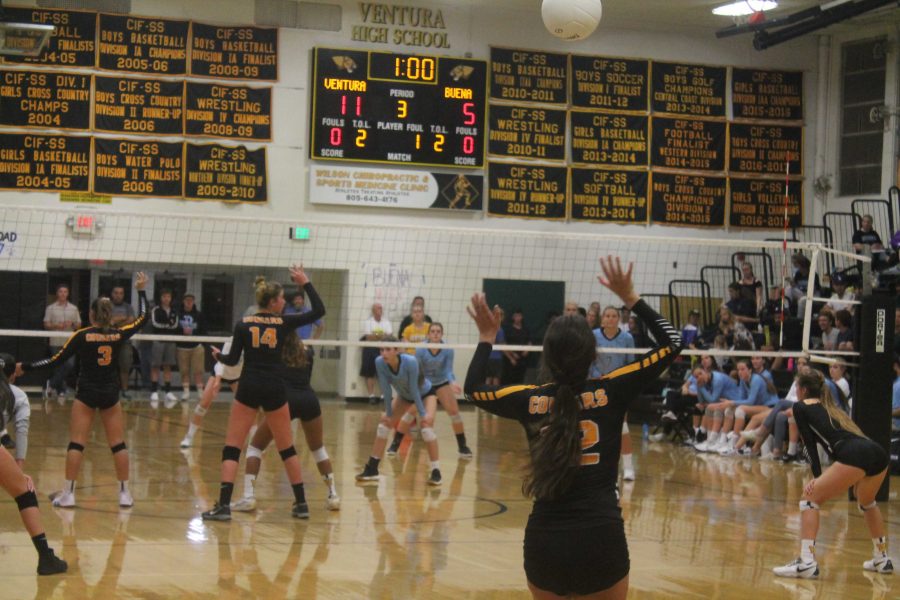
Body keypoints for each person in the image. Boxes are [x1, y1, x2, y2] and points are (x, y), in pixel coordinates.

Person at [463, 256, 683, 599]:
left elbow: (473, 389)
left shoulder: (529, 399)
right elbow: (673, 342)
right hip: (602, 539)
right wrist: (630, 298)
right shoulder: (612, 389)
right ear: (593, 352)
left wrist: (487, 336)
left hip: (545, 544)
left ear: (546, 357)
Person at [202, 265, 325, 521]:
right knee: (287, 447)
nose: (285, 302)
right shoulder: (284, 322)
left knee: (232, 447)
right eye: (281, 298)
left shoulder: (243, 323)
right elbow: (319, 311)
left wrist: (218, 355)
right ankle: (301, 503)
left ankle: (224, 506)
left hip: (249, 386)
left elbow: (233, 359)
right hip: (274, 387)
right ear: (273, 302)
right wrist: (306, 283)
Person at [17, 272, 149, 509]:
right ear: (110, 316)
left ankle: (68, 494)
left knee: (77, 443)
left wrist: (25, 367)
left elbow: (54, 360)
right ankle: (124, 494)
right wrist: (140, 290)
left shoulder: (81, 336)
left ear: (90, 315)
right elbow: (143, 317)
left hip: (86, 393)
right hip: (110, 394)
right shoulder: (119, 334)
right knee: (118, 444)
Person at [773, 369, 893, 578]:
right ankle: (882, 559)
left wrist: (816, 477)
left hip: (853, 453)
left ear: (801, 390)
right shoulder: (831, 408)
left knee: (809, 499)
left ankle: (807, 562)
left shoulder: (800, 407)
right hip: (876, 451)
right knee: (867, 502)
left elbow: (809, 447)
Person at [232, 330, 340, 513]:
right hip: (309, 399)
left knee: (255, 447)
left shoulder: (273, 354)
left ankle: (248, 497)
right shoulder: (308, 352)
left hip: (284, 401)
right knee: (318, 449)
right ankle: (333, 495)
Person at [0, 355, 67, 575]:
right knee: (25, 492)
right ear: (12, 375)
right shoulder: (15, 395)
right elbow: (21, 430)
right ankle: (46, 558)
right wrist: (19, 471)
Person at [355, 337, 442, 486]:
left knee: (426, 429)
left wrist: (422, 414)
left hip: (425, 394)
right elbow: (386, 390)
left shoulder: (410, 361)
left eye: (388, 349)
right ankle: (372, 468)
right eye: (381, 350)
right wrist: (388, 413)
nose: (384, 353)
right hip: (404, 396)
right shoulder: (379, 362)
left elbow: (415, 390)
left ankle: (436, 472)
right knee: (384, 424)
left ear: (397, 350)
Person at [409, 322, 472, 458]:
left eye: (438, 331)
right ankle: (395, 444)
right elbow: (416, 370)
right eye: (433, 331)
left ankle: (462, 447)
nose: (436, 333)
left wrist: (453, 382)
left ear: (442, 334)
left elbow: (448, 370)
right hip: (425, 383)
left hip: (442, 382)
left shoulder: (447, 348)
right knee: (411, 411)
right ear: (428, 334)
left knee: (455, 413)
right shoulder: (421, 348)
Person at [591, 305, 637, 481]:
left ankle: (628, 467)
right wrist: (598, 376)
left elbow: (630, 364)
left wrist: (618, 378)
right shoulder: (594, 335)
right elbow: (589, 360)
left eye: (613, 316)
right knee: (600, 426)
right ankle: (603, 466)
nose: (610, 319)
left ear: (618, 319)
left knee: (622, 427)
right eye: (607, 316)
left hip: (618, 386)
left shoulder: (627, 338)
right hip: (598, 385)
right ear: (602, 319)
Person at [179, 333, 242, 449]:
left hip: (238, 376)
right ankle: (189, 437)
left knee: (248, 408)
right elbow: (221, 363)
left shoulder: (254, 345)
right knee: (203, 403)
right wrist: (217, 381)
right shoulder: (232, 341)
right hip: (221, 372)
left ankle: (253, 444)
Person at [42, 283, 81, 404]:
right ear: (57, 293)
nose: (63, 294)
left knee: (69, 365)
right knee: (59, 366)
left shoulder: (73, 308)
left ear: (68, 294)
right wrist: (56, 326)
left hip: (69, 341)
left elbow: (79, 325)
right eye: (60, 292)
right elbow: (46, 324)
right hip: (55, 341)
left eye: (65, 292)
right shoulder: (51, 308)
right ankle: (61, 391)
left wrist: (73, 324)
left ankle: (51, 384)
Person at [150, 288, 179, 409]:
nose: (166, 299)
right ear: (161, 298)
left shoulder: (174, 311)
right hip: (158, 340)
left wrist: (167, 324)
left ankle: (168, 392)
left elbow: (175, 325)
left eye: (168, 297)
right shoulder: (156, 310)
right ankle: (154, 391)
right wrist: (168, 323)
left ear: (171, 298)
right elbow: (155, 324)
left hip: (170, 341)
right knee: (156, 366)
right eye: (164, 296)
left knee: (168, 366)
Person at [0, 354, 31, 467]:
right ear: (13, 375)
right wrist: (19, 463)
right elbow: (21, 430)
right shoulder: (20, 396)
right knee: (22, 484)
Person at [175, 293, 207, 401]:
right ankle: (186, 392)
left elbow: (204, 331)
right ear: (183, 301)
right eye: (187, 300)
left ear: (193, 302)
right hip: (182, 347)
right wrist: (181, 331)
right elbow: (173, 329)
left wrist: (201, 342)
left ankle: (200, 392)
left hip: (196, 346)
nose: (189, 302)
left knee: (198, 371)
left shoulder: (199, 315)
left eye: (191, 300)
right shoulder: (177, 314)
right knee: (184, 371)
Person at [361, 302, 393, 403]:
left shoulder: (386, 322)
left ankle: (384, 395)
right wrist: (382, 335)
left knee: (384, 372)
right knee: (370, 373)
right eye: (378, 308)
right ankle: (371, 396)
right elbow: (368, 337)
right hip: (370, 349)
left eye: (381, 308)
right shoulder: (368, 322)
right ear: (373, 310)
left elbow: (389, 337)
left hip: (383, 349)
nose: (380, 310)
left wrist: (376, 335)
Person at [109, 285, 136, 401]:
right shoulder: (107, 306)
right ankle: (109, 390)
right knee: (108, 367)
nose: (118, 295)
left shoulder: (128, 307)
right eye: (116, 292)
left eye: (121, 293)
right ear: (112, 294)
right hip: (109, 341)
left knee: (125, 366)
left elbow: (131, 320)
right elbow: (108, 321)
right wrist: (121, 319)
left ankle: (124, 390)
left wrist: (116, 320)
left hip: (124, 341)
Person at [502, 308, 530, 385]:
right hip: (510, 360)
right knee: (509, 380)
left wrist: (527, 350)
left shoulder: (525, 329)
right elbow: (504, 344)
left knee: (520, 380)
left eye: (519, 316)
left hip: (522, 360)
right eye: (515, 316)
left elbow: (529, 342)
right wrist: (512, 355)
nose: (517, 318)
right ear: (513, 317)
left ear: (522, 317)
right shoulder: (508, 329)